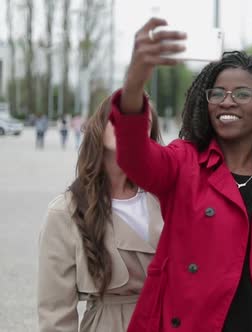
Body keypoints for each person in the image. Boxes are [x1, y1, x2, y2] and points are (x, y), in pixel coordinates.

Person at [107, 17, 252, 332]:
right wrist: (135, 81)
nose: (226, 101)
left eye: (242, 94)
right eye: (216, 93)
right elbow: (136, 159)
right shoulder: (183, 163)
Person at [37, 97, 164, 331]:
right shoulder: (65, 212)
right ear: (98, 126)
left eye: (141, 122)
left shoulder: (166, 199)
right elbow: (55, 313)